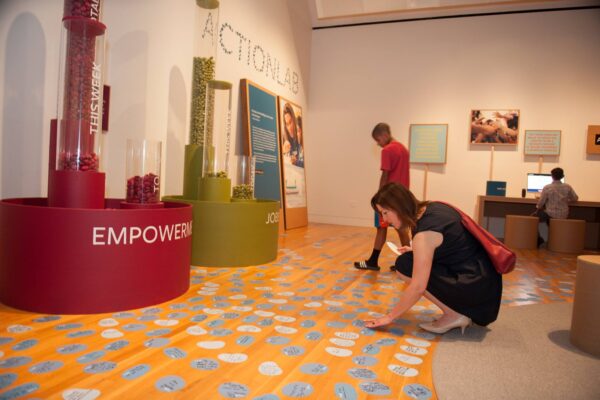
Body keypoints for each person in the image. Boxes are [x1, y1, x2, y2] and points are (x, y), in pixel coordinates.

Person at [363, 183, 502, 334]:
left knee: (404, 265)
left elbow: (418, 287)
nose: (384, 219)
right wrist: (416, 250)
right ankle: (456, 312)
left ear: (398, 206)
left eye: (385, 213)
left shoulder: (424, 235)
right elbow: (452, 245)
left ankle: (454, 315)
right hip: (485, 282)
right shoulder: (433, 208)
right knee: (410, 258)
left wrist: (389, 317)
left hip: (476, 290)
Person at [354, 123, 410, 271]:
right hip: (402, 196)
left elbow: (385, 174)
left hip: (389, 197)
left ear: (384, 135)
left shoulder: (387, 150)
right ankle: (409, 262)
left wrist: (379, 196)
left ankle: (373, 262)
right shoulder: (403, 149)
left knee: (381, 227)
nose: (378, 144)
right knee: (402, 228)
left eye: (378, 140)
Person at [535, 167, 578, 246]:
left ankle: (539, 239)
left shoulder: (547, 187)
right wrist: (566, 200)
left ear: (552, 176)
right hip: (564, 215)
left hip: (550, 215)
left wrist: (537, 208)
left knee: (532, 219)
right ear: (562, 176)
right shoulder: (568, 187)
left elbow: (541, 203)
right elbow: (575, 198)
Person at [281, 103, 303, 168]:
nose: (289, 128)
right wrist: (283, 151)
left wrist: (297, 162)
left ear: (294, 119)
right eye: (287, 124)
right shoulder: (283, 137)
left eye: (290, 122)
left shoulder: (300, 131)